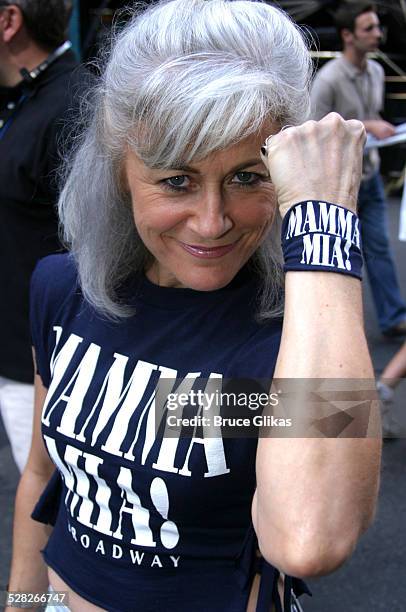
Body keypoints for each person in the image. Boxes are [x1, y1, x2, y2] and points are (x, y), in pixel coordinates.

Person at [7, 1, 381, 611]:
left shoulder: (297, 338)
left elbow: (310, 539)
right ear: (120, 170)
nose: (212, 223)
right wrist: (20, 604)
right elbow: (43, 477)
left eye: (248, 177)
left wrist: (326, 221)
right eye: (176, 180)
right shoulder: (60, 289)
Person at [0, 0, 88, 472]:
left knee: (56, 505)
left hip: (46, 364)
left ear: (9, 21)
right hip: (21, 350)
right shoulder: (23, 97)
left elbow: (100, 249)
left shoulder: (72, 106)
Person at [310, 1, 406, 337]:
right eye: (369, 28)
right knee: (334, 257)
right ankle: (331, 330)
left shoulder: (377, 72)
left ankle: (393, 317)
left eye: (378, 27)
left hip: (369, 176)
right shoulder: (329, 79)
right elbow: (313, 130)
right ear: (348, 35)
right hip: (335, 185)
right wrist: (368, 125)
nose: (378, 34)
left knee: (378, 248)